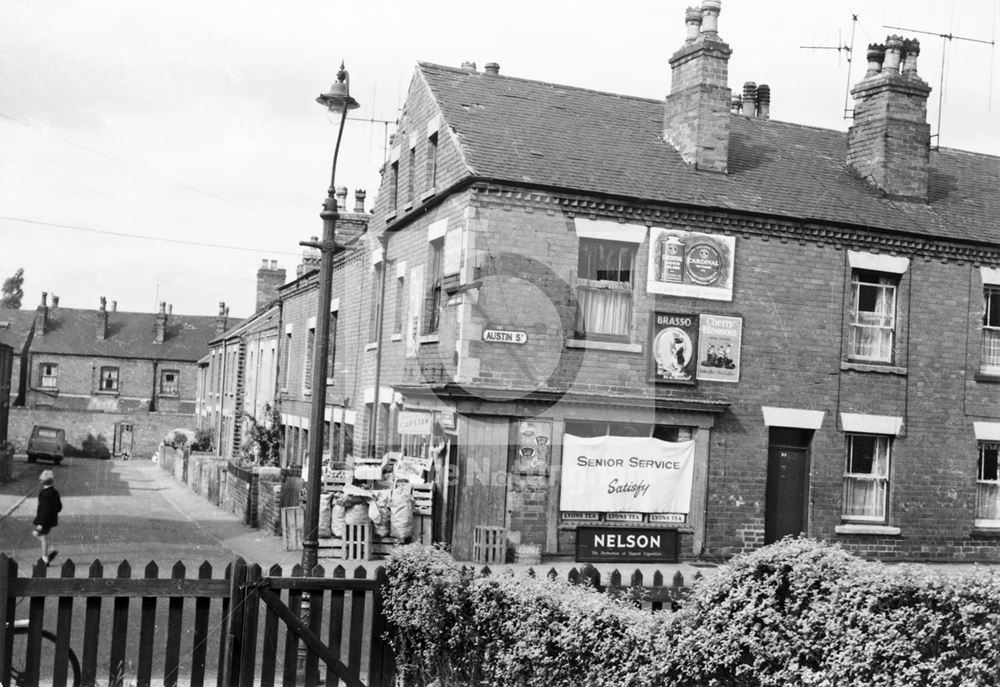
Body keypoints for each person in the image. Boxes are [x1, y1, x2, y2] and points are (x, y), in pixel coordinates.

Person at [32, 469, 62, 566]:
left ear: (43, 481)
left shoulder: (44, 493)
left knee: (40, 535)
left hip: (44, 520)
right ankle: (50, 552)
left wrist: (41, 523)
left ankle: (45, 558)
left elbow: (44, 510)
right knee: (38, 534)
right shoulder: (55, 492)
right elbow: (59, 507)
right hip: (51, 519)